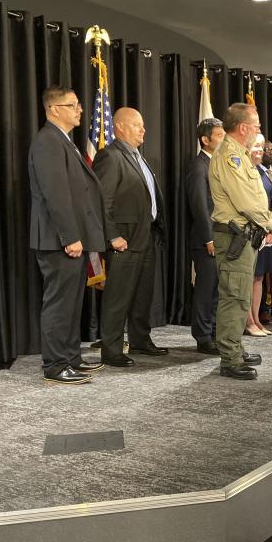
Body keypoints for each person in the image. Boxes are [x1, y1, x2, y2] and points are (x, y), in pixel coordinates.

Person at [28, 85, 106, 385]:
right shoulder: (48, 141)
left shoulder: (64, 141)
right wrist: (70, 236)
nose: (80, 109)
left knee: (72, 303)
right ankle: (55, 366)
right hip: (58, 239)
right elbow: (55, 194)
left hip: (70, 238)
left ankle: (70, 358)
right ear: (54, 109)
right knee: (60, 303)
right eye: (72, 105)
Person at [92, 107, 169, 367]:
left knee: (142, 294)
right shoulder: (110, 156)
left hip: (145, 237)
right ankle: (111, 349)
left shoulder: (138, 157)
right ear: (120, 127)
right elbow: (103, 201)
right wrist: (112, 236)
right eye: (137, 125)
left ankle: (140, 339)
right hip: (124, 240)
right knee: (118, 296)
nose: (143, 130)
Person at [209, 103, 272, 380]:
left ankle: (234, 347)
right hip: (234, 236)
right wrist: (271, 223)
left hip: (246, 236)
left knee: (240, 296)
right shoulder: (230, 157)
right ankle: (230, 358)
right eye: (257, 126)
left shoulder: (239, 154)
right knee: (234, 296)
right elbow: (245, 199)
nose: (259, 130)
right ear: (243, 128)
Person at [185, 117, 225, 355]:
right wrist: (208, 238)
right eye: (219, 136)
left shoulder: (218, 164)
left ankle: (215, 332)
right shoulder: (199, 166)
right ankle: (202, 336)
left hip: (222, 238)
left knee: (218, 290)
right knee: (205, 290)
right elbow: (199, 205)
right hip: (205, 241)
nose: (223, 140)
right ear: (205, 139)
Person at [246, 134, 272, 337]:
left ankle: (256, 318)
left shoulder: (263, 172)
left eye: (261, 146)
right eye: (255, 146)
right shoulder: (244, 171)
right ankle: (248, 321)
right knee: (248, 277)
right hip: (250, 232)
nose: (259, 150)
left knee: (258, 278)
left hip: (265, 233)